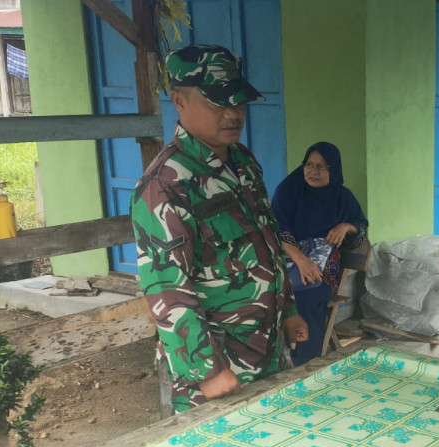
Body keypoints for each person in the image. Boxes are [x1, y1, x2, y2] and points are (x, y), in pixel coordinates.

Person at [131, 44, 308, 412]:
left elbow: (268, 242)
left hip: (269, 350)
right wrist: (208, 370)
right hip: (220, 369)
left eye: (238, 102)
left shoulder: (243, 162)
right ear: (178, 101)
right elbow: (165, 284)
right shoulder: (165, 183)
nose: (232, 114)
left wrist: (288, 310)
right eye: (216, 103)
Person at [271, 142, 368, 365]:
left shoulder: (343, 197)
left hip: (327, 266)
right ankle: (278, 359)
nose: (313, 171)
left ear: (333, 170)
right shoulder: (288, 191)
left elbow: (361, 231)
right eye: (309, 165)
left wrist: (346, 227)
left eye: (321, 167)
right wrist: (300, 259)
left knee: (305, 292)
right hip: (288, 256)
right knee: (267, 290)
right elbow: (275, 229)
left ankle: (307, 362)